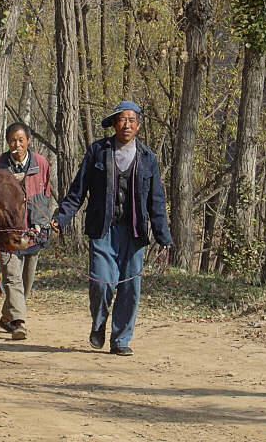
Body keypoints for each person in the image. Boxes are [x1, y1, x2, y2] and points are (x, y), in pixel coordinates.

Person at [51, 100, 172, 356]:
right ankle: (99, 323)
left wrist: (164, 237)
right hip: (103, 230)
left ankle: (121, 340)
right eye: (122, 120)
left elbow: (156, 201)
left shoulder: (148, 158)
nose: (126, 125)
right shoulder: (98, 151)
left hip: (134, 233)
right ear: (114, 123)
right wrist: (60, 219)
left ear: (138, 125)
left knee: (129, 289)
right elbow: (77, 191)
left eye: (132, 120)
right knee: (102, 283)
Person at [0, 122, 51, 340]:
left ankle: (7, 317)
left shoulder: (41, 164)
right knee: (12, 279)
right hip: (8, 234)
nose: (17, 145)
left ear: (28, 141)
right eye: (13, 140)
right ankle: (19, 323)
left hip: (33, 233)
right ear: (7, 142)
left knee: (26, 284)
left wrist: (44, 221)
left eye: (21, 140)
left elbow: (46, 193)